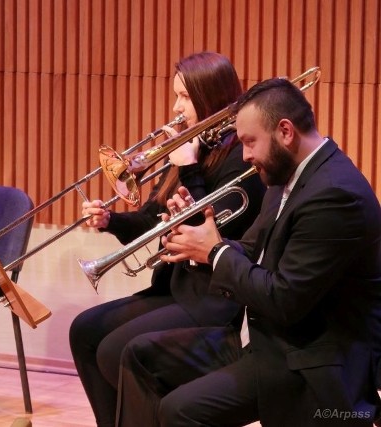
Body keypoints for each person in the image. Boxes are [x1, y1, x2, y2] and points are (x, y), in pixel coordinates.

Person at [127, 77, 381, 426]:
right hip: (267, 340)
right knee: (138, 355)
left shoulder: (336, 194)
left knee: (180, 411)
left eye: (249, 142)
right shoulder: (288, 175)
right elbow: (250, 249)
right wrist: (196, 239)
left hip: (310, 361)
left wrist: (215, 251)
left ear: (285, 131)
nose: (245, 155)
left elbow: (284, 298)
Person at [69, 51, 266, 427]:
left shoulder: (240, 157)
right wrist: (110, 219)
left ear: (211, 97)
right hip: (174, 287)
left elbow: (213, 231)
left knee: (114, 351)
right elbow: (150, 220)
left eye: (186, 97)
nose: (176, 107)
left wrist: (189, 169)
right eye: (175, 95)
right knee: (85, 331)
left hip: (213, 297)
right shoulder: (193, 149)